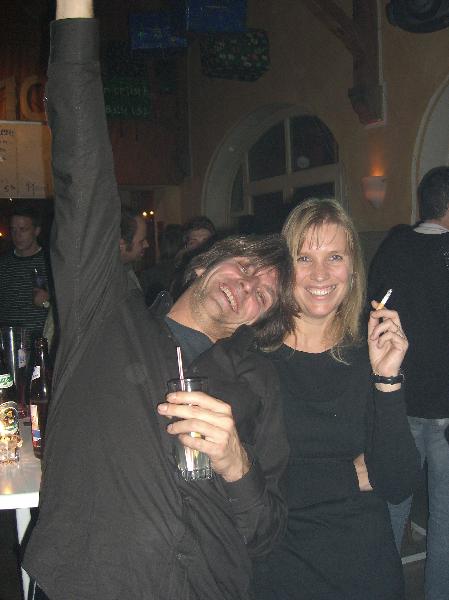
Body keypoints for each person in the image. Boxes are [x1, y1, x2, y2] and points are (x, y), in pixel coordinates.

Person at [23, 4, 293, 599]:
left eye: (264, 295)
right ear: (203, 263)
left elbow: (267, 533)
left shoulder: (258, 383)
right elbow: (83, 170)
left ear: (258, 320)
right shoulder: (103, 314)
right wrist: (74, 16)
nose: (248, 285)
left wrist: (236, 464)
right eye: (244, 266)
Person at [252, 198, 421, 600]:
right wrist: (347, 476)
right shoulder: (251, 357)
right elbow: (247, 485)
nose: (320, 274)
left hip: (365, 565)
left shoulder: (370, 353)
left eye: (335, 256)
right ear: (283, 267)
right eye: (304, 258)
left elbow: (397, 483)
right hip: (279, 565)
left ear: (353, 268)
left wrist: (387, 378)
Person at [368, 166, 449, 600]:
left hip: (398, 400)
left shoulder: (394, 247)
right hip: (444, 409)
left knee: (390, 512)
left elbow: (373, 313)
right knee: (445, 522)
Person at [0, 207, 51, 335]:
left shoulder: (50, 263)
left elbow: (68, 304)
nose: (17, 235)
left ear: (36, 231)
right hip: (9, 340)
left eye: (23, 229)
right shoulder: (4, 264)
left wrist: (47, 302)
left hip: (41, 339)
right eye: (13, 229)